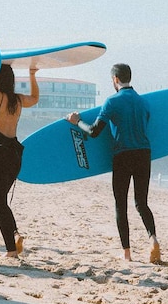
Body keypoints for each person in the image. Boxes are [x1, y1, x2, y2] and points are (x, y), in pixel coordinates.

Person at [66, 63, 161, 264]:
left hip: (123, 155)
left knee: (121, 204)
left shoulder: (112, 102)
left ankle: (127, 253)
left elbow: (93, 131)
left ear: (115, 79)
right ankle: (153, 239)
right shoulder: (143, 102)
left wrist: (77, 122)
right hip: (144, 153)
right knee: (141, 202)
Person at [0, 64, 39, 257]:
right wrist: (32, 75)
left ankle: (11, 250)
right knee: (0, 201)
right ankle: (15, 234)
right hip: (14, 155)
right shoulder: (16, 99)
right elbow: (34, 99)